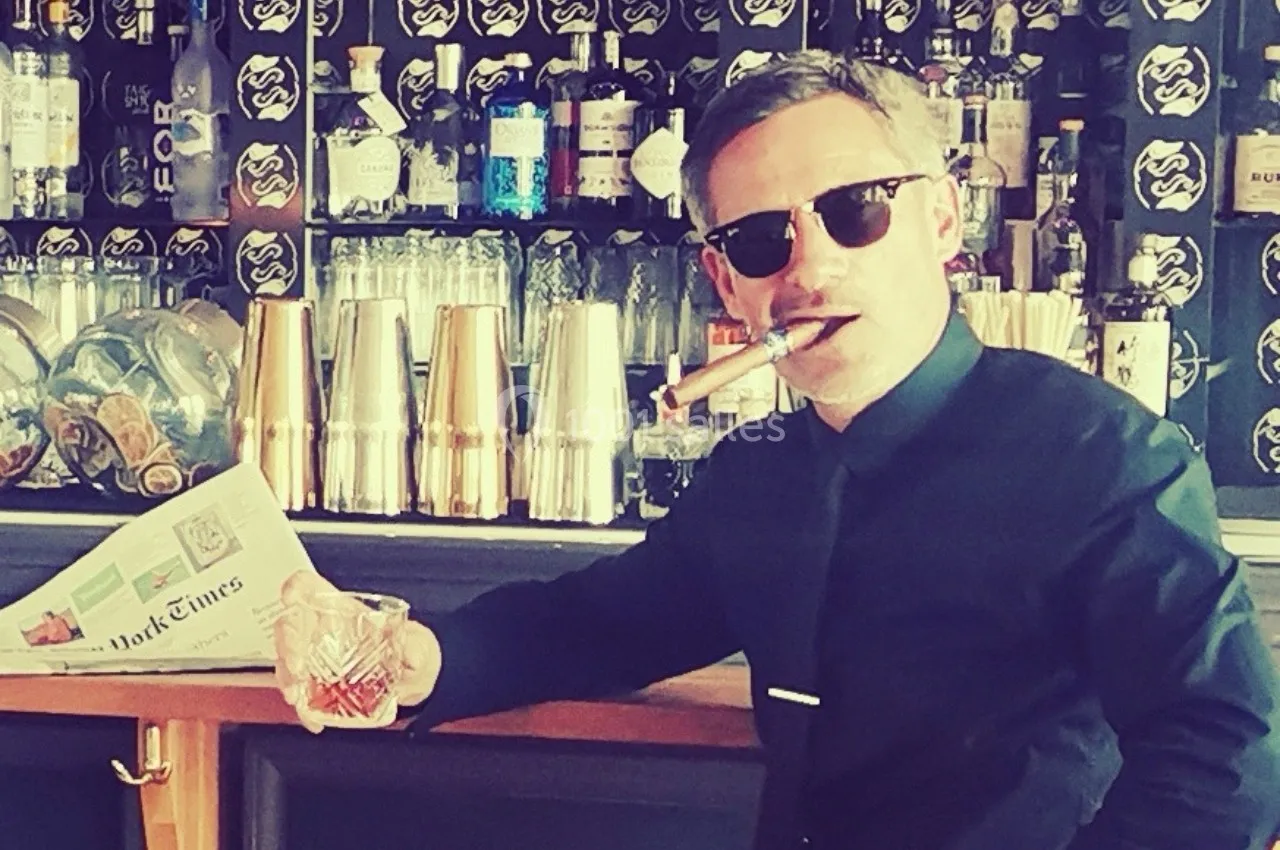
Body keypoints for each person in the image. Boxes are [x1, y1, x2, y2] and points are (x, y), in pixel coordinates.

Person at [275, 51, 1280, 850]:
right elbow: (606, 622)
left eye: (854, 210)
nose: (810, 264)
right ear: (726, 282)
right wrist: (419, 657)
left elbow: (1225, 754)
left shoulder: (1105, 460)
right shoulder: (757, 470)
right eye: (761, 240)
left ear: (940, 219)